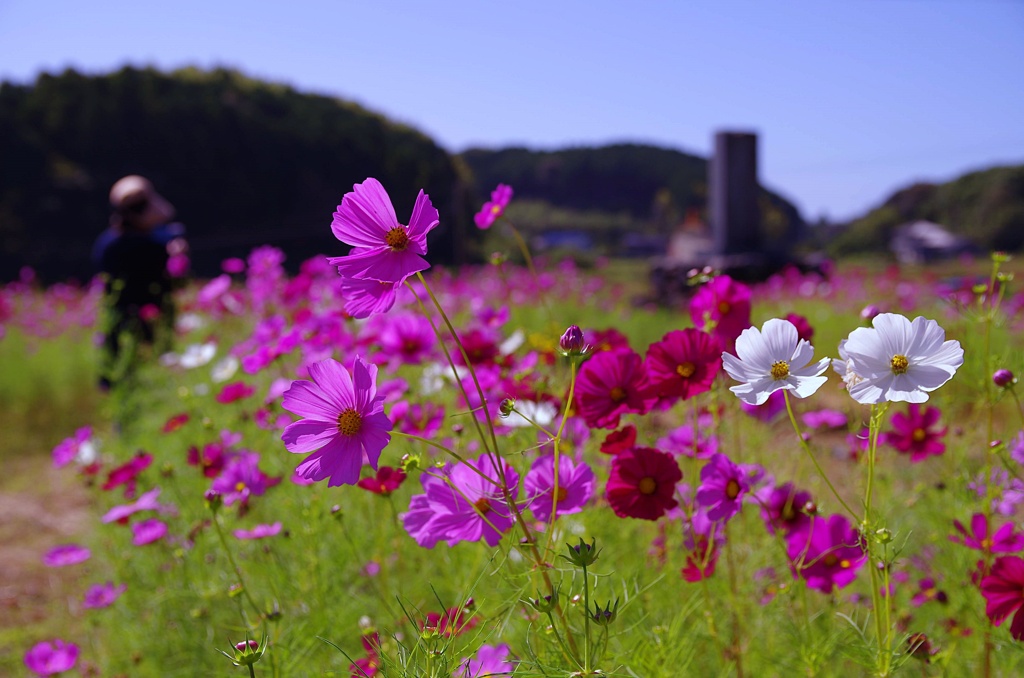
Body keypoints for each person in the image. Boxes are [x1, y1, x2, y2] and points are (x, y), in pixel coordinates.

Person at [94, 175, 184, 389]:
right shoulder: (152, 245)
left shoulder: (109, 242)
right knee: (147, 383)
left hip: (120, 326)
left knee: (124, 385)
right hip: (147, 326)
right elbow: (176, 281)